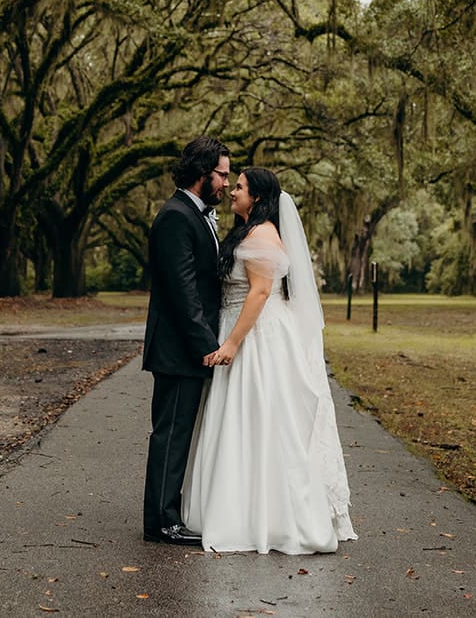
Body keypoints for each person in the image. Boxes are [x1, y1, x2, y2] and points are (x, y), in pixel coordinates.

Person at [182, 167, 357, 554]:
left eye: (239, 187)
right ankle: (237, 507)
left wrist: (231, 344)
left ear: (257, 198)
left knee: (262, 420)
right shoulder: (246, 231)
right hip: (241, 327)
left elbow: (260, 293)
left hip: (256, 337)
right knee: (242, 420)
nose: (232, 192)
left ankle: (272, 517)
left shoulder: (262, 234)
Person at [141, 135, 231, 546]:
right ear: (202, 173)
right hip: (179, 350)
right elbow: (182, 292)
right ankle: (161, 522)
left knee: (178, 434)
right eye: (222, 175)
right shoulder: (176, 216)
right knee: (171, 433)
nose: (226, 184)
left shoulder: (195, 214)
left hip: (186, 349)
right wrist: (206, 347)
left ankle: (168, 513)